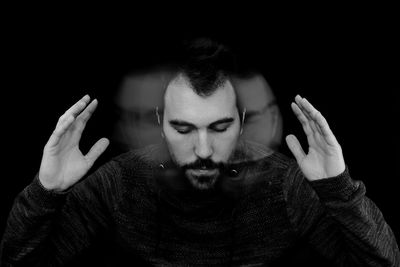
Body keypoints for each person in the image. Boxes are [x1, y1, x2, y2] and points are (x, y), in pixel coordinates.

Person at [1, 39, 399, 266]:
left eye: (220, 127)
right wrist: (45, 191)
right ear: (160, 120)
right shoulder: (120, 183)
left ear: (241, 120)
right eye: (184, 128)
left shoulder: (284, 184)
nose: (204, 150)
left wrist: (339, 189)